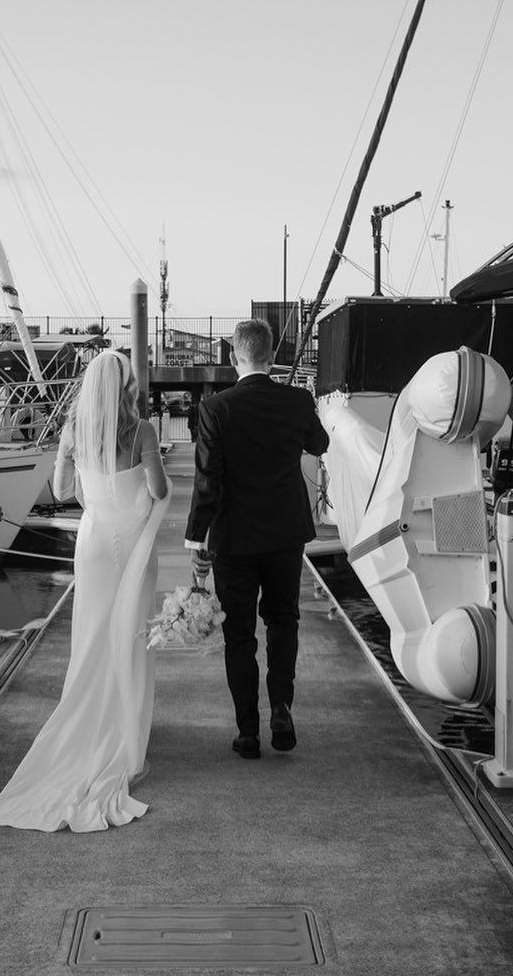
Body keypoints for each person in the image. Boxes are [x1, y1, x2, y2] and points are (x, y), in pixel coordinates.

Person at [0, 349, 170, 831]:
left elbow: (64, 492)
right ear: (126, 386)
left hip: (95, 543)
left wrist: (71, 459)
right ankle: (127, 734)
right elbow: (160, 491)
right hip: (132, 544)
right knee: (131, 634)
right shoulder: (142, 431)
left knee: (93, 637)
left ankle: (90, 723)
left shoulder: (74, 429)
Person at [184, 319, 329, 760]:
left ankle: (248, 731)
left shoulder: (215, 408)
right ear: (271, 355)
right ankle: (281, 707)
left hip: (234, 537)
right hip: (285, 532)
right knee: (283, 620)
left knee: (239, 635)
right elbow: (320, 444)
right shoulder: (297, 400)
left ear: (233, 357)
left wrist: (197, 540)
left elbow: (208, 479)